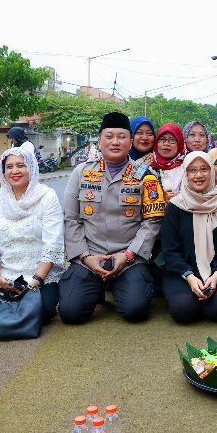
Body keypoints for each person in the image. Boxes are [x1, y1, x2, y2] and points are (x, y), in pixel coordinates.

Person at [60, 112, 167, 324]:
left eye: (122, 136)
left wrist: (127, 255)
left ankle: (119, 284)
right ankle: (97, 284)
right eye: (109, 136)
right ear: (99, 141)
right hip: (89, 256)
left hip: (129, 258)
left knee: (135, 311)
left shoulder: (147, 176)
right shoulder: (81, 173)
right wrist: (85, 257)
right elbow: (72, 220)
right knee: (71, 313)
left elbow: (152, 223)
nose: (115, 142)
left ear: (130, 141)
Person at [0, 145, 65, 330]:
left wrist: (34, 282)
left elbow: (53, 243)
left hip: (40, 275)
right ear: (3, 170)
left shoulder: (47, 197)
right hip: (3, 274)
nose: (15, 171)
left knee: (42, 310)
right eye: (9, 167)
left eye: (21, 165)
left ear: (31, 168)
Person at [160, 152, 217, 323]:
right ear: (186, 174)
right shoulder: (176, 206)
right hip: (182, 272)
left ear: (211, 171)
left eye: (204, 169)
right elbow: (170, 250)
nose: (198, 175)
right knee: (184, 310)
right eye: (192, 170)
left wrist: (216, 275)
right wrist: (189, 276)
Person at [151, 123, 187, 196]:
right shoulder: (147, 166)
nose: (166, 143)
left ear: (179, 144)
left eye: (172, 140)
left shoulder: (186, 168)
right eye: (162, 139)